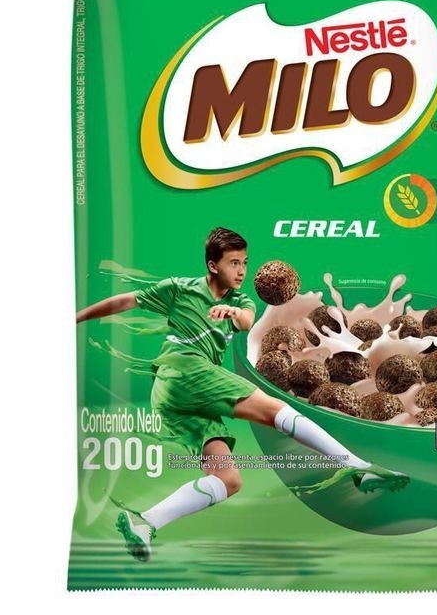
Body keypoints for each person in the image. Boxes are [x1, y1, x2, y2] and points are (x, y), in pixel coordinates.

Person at [76, 226, 408, 562]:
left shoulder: (240, 301)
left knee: (228, 480)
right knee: (274, 409)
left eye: (245, 263)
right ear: (212, 265)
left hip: (175, 399)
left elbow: (247, 321)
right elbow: (126, 300)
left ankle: (146, 522)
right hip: (184, 369)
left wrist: (234, 313)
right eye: (233, 263)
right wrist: (75, 318)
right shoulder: (178, 289)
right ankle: (357, 465)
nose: (241, 271)